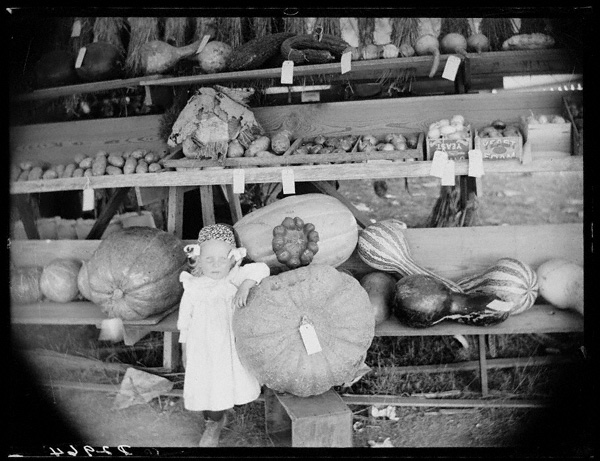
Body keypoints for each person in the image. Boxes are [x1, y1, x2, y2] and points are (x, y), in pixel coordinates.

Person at [177, 223, 270, 447]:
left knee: (233, 382)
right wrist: (183, 346)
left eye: (222, 259)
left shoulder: (236, 277)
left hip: (230, 345)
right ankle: (213, 423)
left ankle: (227, 411)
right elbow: (185, 321)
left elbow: (262, 269)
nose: (216, 265)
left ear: (233, 259)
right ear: (198, 259)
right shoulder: (194, 286)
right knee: (207, 386)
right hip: (203, 348)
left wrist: (245, 287)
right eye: (209, 259)